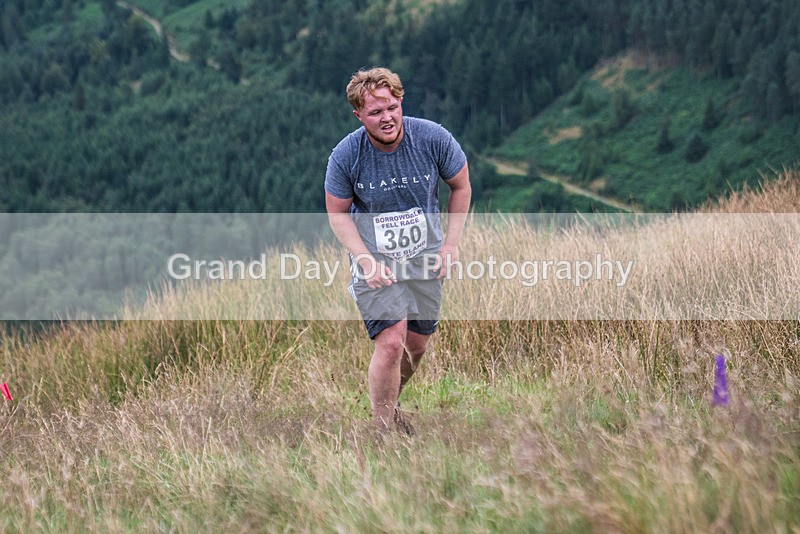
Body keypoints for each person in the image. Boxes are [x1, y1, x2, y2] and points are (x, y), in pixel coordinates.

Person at [324, 67, 471, 435]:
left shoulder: (433, 138)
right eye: (375, 113)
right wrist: (365, 260)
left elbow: (461, 186)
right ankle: (383, 430)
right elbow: (337, 214)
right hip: (376, 262)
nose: (386, 118)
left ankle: (389, 402)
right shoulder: (346, 155)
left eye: (391, 107)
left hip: (426, 258)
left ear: (400, 101)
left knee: (416, 347)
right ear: (359, 115)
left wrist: (451, 245)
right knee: (391, 343)